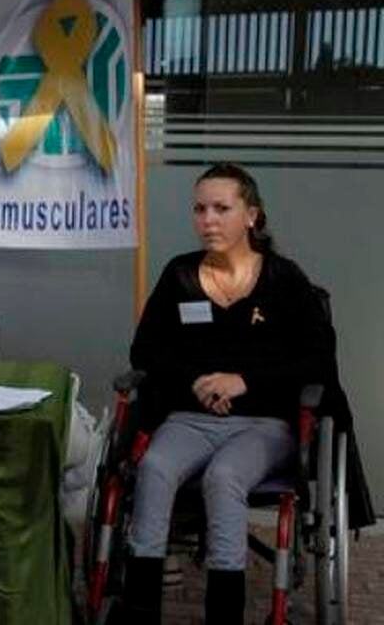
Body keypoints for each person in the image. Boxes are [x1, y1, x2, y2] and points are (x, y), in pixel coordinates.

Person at [115, 163, 325, 625]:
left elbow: (316, 360)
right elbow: (146, 350)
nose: (208, 219)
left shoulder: (284, 280)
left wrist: (244, 380)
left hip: (263, 424)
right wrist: (196, 380)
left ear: (251, 215)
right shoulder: (179, 275)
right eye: (199, 209)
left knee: (224, 476)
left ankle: (224, 615)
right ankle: (139, 610)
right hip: (190, 419)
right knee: (154, 468)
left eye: (221, 209)